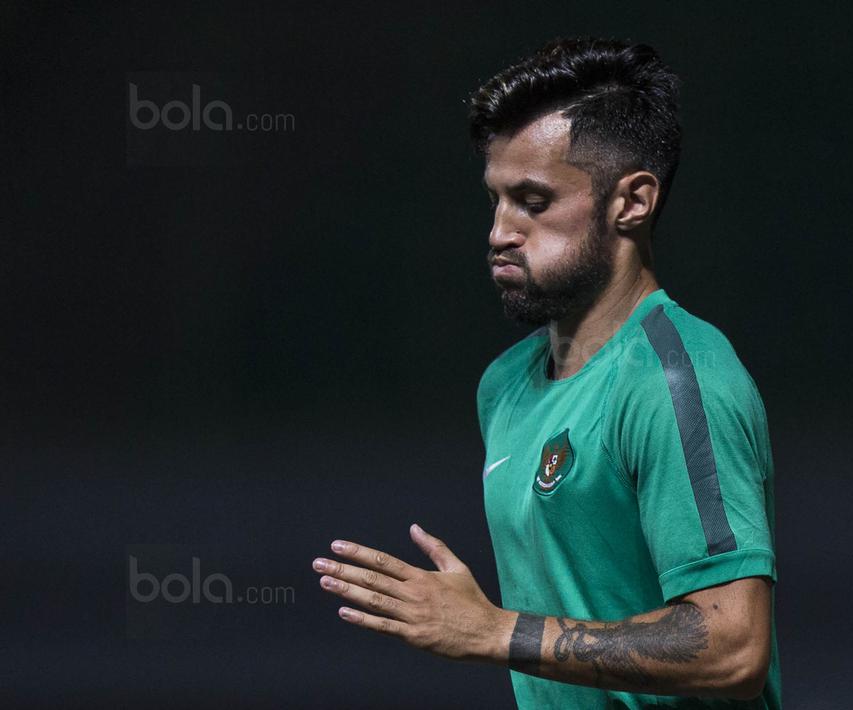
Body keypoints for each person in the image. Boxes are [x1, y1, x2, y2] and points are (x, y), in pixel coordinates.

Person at [312, 37, 780, 709]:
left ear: (632, 202)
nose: (499, 231)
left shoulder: (676, 382)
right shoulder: (504, 384)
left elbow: (732, 647)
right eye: (496, 200)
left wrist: (493, 630)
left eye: (532, 201)